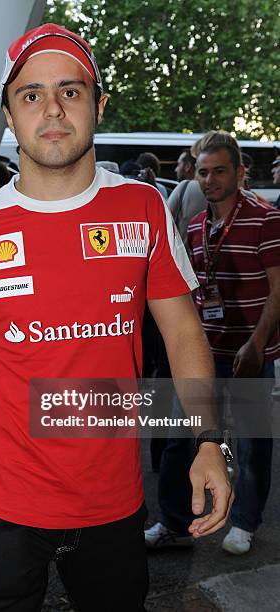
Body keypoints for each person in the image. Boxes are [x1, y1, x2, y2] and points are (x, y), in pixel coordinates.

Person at [0, 23, 233, 611]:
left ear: (97, 105)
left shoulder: (143, 207)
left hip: (111, 505)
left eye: (70, 91)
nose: (52, 108)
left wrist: (209, 442)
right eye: (30, 95)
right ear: (9, 115)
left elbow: (181, 330)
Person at [145, 131, 280, 555]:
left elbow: (278, 290)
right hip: (204, 353)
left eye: (219, 171)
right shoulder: (199, 223)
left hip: (249, 354)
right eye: (203, 172)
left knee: (251, 443)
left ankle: (244, 522)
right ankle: (173, 522)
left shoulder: (266, 217)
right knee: (180, 440)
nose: (209, 180)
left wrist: (257, 343)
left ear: (240, 172)